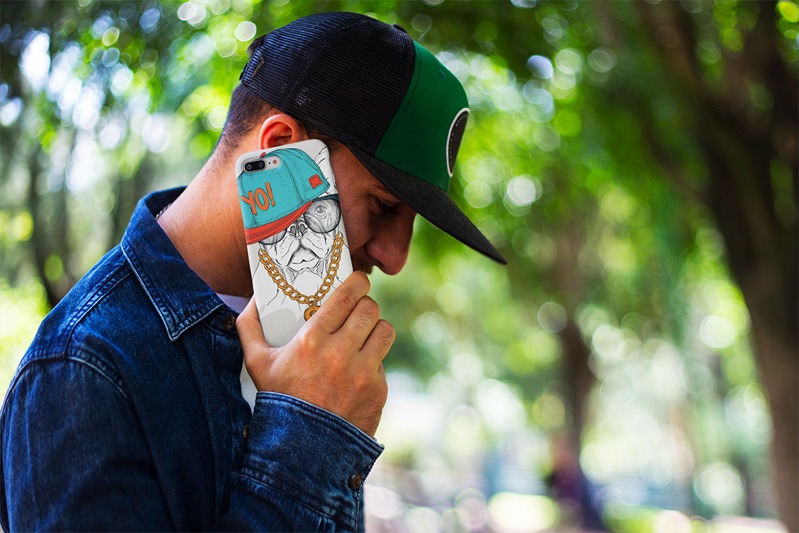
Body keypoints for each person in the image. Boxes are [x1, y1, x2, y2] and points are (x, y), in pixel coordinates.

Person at [0, 11, 505, 531]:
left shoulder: (308, 343)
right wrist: (310, 433)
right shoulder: (82, 369)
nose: (395, 258)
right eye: (382, 205)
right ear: (282, 148)